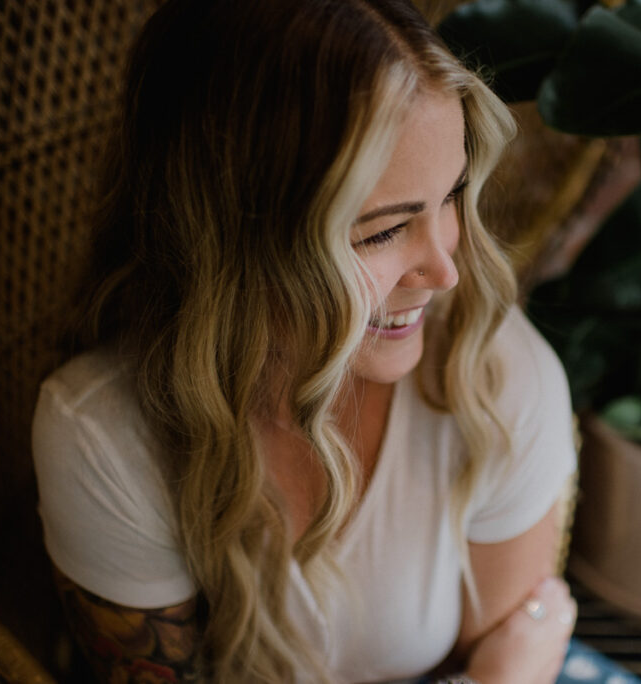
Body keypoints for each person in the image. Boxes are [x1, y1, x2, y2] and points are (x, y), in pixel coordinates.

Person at [31, 0, 579, 681]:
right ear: (235, 242)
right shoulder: (105, 437)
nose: (446, 271)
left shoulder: (488, 371)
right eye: (382, 231)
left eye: (452, 195)